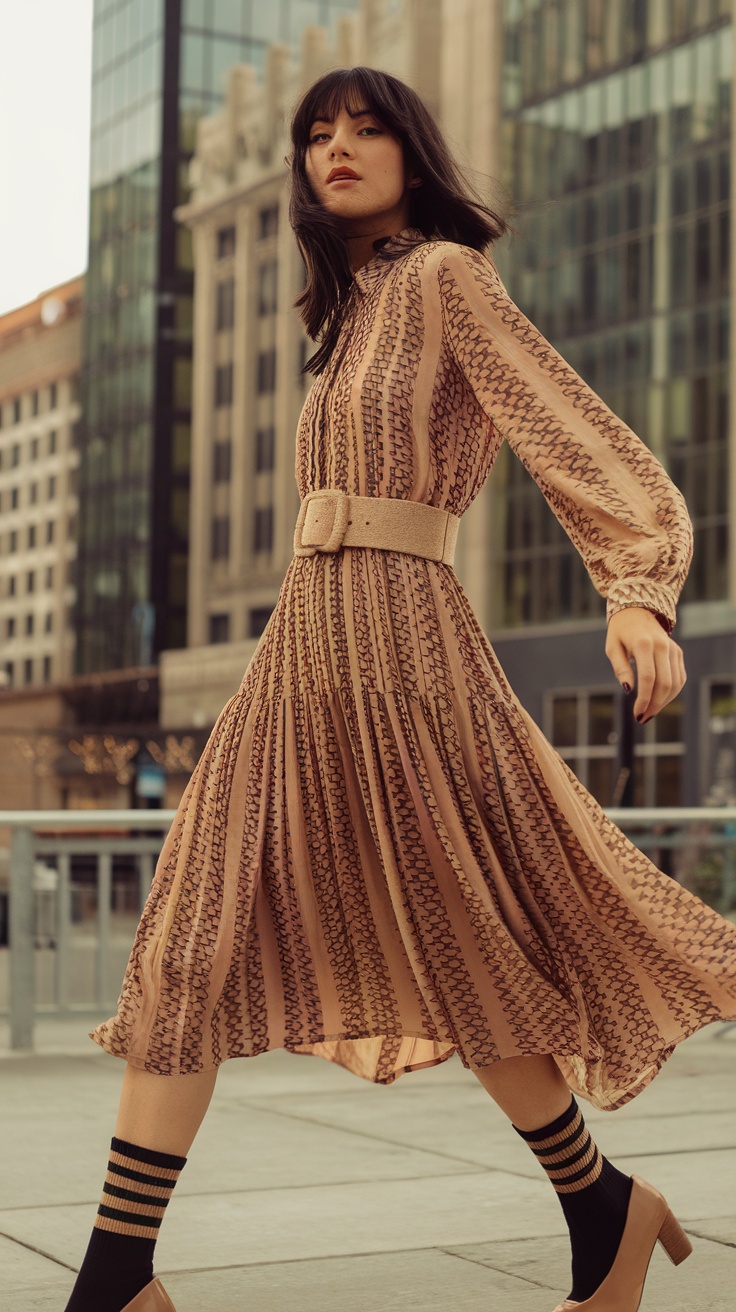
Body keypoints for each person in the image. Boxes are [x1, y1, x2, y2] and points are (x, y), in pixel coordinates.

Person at [63, 67, 736, 1312]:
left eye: (366, 129)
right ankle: (118, 1273)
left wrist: (635, 585)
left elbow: (564, 421)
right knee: (191, 937)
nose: (337, 147)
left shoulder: (441, 279)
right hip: (302, 644)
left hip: (405, 646)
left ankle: (601, 1212)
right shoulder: (346, 316)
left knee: (460, 933)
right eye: (317, 134)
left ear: (415, 156)